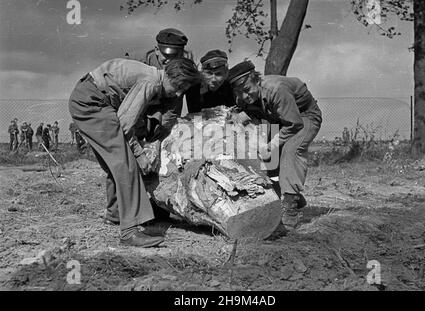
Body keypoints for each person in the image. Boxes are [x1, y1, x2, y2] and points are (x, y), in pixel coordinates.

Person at [68, 57, 202, 248]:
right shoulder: (151, 82)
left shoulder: (153, 77)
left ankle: (115, 213)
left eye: (184, 89)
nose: (178, 93)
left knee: (116, 161)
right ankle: (130, 231)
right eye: (178, 86)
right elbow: (124, 124)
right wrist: (140, 156)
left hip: (88, 97)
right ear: (170, 76)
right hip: (92, 102)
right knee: (127, 163)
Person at [228, 60, 322, 234]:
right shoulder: (244, 95)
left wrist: (271, 144)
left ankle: (290, 211)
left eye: (247, 90)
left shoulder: (276, 89)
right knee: (269, 161)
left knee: (291, 151)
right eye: (240, 93)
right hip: (278, 119)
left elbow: (294, 124)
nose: (245, 97)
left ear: (256, 79)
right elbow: (253, 113)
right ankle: (291, 196)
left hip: (303, 116)